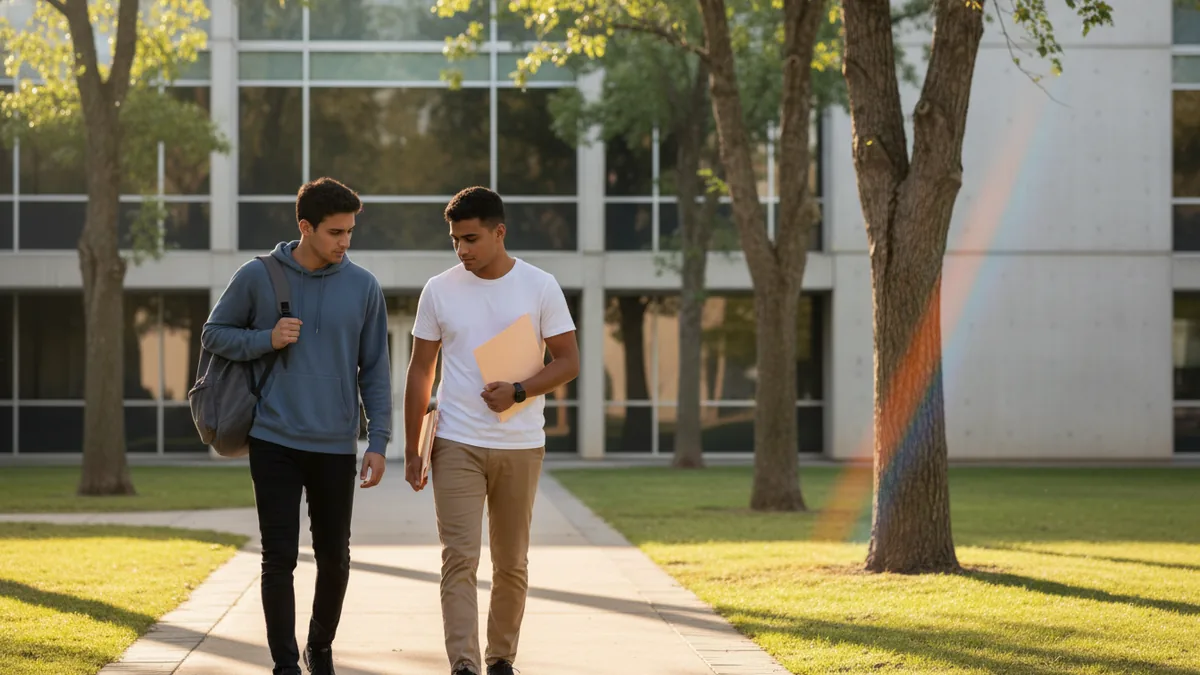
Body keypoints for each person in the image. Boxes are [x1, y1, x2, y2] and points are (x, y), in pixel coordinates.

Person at [201, 177, 392, 675]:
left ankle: (320, 648)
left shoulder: (364, 286)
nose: (345, 242)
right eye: (335, 232)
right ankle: (285, 664)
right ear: (304, 227)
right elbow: (214, 333)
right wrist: (266, 338)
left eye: (350, 231)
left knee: (335, 559)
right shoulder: (257, 276)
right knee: (278, 557)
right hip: (274, 438)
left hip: (334, 442)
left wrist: (380, 441)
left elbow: (375, 369)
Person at [403, 186, 580, 675]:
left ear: (500, 233)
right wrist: (414, 449)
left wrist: (520, 390)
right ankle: (464, 664)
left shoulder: (540, 286)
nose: (463, 251)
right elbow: (421, 370)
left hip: (521, 445)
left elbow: (568, 361)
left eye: (472, 239)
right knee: (459, 558)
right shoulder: (439, 289)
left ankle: (501, 659)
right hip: (455, 442)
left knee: (511, 563)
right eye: (456, 241)